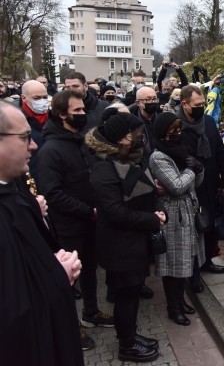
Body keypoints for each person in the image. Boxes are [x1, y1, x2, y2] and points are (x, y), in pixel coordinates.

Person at [0, 102, 84, 366]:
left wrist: (52, 263)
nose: (33, 146)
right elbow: (11, 307)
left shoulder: (12, 191)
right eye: (24, 137)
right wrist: (58, 275)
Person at [37, 89, 114, 351]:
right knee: (69, 278)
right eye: (77, 111)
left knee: (90, 269)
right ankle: (71, 326)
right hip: (69, 227)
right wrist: (88, 211)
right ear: (62, 114)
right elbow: (53, 194)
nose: (83, 114)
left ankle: (91, 313)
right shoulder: (50, 150)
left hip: (91, 221)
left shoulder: (82, 141)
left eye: (83, 109)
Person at [85, 112, 165, 363]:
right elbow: (116, 213)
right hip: (120, 248)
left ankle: (130, 335)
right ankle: (127, 345)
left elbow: (144, 192)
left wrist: (156, 205)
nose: (140, 138)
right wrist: (152, 219)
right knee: (126, 297)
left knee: (131, 294)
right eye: (136, 134)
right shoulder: (104, 168)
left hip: (134, 243)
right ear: (121, 138)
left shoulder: (127, 159)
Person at [149, 112, 205, 326]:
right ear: (163, 133)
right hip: (172, 215)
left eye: (179, 130)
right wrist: (191, 169)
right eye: (173, 131)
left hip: (186, 212)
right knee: (172, 264)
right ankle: (173, 307)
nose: (178, 134)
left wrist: (199, 169)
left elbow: (195, 183)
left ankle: (180, 300)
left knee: (184, 260)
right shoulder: (158, 157)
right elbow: (177, 186)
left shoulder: (180, 150)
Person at [177, 85, 224, 293]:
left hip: (211, 183)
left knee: (211, 225)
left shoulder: (208, 122)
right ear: (184, 104)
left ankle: (207, 261)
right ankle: (194, 273)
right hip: (190, 186)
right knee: (194, 230)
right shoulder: (176, 126)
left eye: (203, 104)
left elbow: (219, 151)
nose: (201, 107)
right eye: (197, 105)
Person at [20, 80, 50, 181]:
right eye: (36, 98)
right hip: (29, 177)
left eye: (45, 97)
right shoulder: (16, 120)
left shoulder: (55, 118)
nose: (42, 101)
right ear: (24, 98)